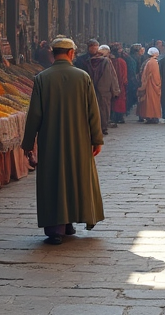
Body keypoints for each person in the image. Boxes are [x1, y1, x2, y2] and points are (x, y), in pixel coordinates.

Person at [21, 36, 105, 245]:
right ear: (71, 53)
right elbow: (93, 113)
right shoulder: (83, 77)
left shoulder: (42, 78)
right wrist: (97, 139)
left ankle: (57, 228)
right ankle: (71, 221)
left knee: (54, 180)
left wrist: (28, 144)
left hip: (51, 141)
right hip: (79, 140)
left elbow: (35, 115)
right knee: (76, 178)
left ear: (52, 53)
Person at [88, 44, 120, 134]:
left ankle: (94, 126)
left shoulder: (90, 61)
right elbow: (112, 76)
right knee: (104, 109)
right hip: (105, 89)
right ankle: (103, 127)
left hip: (92, 88)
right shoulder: (107, 61)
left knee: (93, 108)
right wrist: (115, 90)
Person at [139, 47, 162, 123]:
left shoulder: (148, 62)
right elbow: (156, 76)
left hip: (149, 84)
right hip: (153, 85)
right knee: (153, 102)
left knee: (149, 102)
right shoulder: (154, 62)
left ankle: (149, 116)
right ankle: (153, 116)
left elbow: (144, 75)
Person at [110, 44, 128, 125]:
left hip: (111, 84)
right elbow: (124, 75)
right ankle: (120, 117)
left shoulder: (109, 61)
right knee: (120, 101)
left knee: (113, 101)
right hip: (121, 85)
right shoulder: (122, 62)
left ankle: (114, 117)